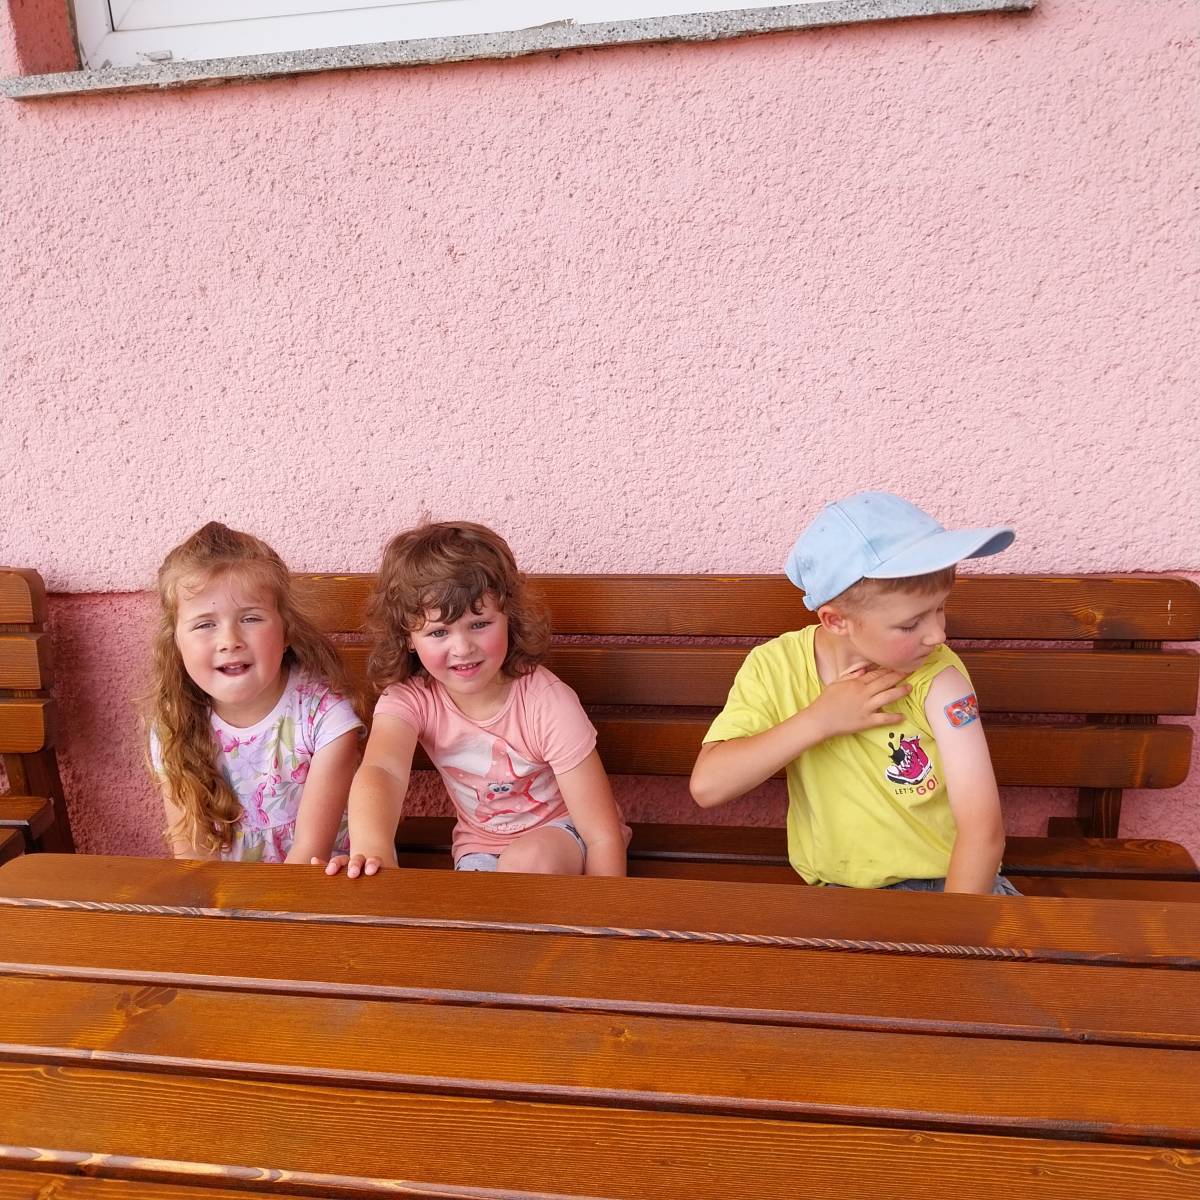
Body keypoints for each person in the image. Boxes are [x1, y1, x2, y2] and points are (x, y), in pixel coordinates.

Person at [690, 491, 1018, 895]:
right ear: (835, 621)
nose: (938, 634)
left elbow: (983, 831)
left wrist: (949, 930)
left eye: (940, 608)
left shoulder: (939, 677)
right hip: (839, 896)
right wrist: (820, 720)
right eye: (910, 624)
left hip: (950, 889)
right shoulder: (775, 667)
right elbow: (709, 786)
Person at [326, 521, 628, 879]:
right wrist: (372, 850)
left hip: (565, 830)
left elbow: (601, 835)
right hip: (479, 847)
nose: (462, 647)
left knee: (526, 863)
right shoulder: (410, 699)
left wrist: (605, 908)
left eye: (479, 624)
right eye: (439, 632)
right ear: (408, 637)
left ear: (508, 617)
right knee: (481, 906)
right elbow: (383, 770)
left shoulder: (546, 702)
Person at [148, 522, 364, 863]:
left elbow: (309, 856)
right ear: (176, 642)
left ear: (286, 630)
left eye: (250, 618)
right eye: (205, 624)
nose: (229, 640)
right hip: (227, 890)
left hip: (316, 882)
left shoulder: (324, 718)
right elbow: (193, 858)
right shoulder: (173, 726)